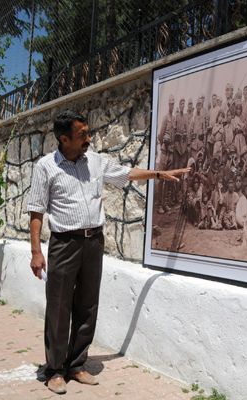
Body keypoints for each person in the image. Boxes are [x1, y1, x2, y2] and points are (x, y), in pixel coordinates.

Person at [27, 110, 188, 395]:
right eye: (82, 135)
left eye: (88, 133)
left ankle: (76, 364)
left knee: (87, 306)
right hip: (64, 244)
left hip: (93, 242)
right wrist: (36, 251)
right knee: (59, 307)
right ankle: (54, 370)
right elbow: (36, 210)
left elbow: (126, 174)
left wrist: (160, 173)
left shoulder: (95, 162)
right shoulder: (46, 167)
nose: (89, 139)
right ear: (64, 139)